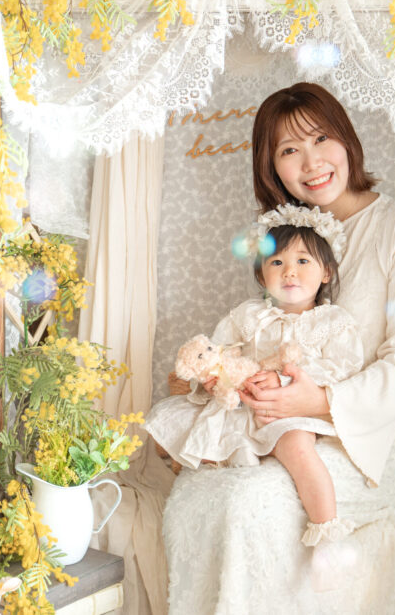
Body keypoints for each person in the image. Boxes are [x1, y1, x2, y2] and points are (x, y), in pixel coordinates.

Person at [162, 82, 395, 613]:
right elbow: (260, 336)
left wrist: (317, 401)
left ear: (347, 140)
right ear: (271, 167)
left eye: (321, 139)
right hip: (275, 421)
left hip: (369, 430)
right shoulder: (286, 238)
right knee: (196, 495)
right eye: (290, 150)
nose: (311, 162)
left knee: (251, 501)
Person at [147, 208, 365, 590]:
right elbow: (219, 353)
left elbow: (343, 368)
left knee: (298, 449)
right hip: (244, 404)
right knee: (176, 425)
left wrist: (287, 378)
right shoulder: (247, 315)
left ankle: (327, 537)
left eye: (303, 261)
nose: (290, 272)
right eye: (276, 262)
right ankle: (210, 462)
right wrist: (216, 377)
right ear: (262, 275)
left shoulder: (332, 322)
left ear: (326, 273)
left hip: (293, 408)